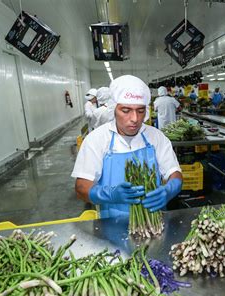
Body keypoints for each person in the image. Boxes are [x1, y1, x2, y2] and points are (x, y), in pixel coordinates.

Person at [71, 75, 183, 218]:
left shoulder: (156, 137)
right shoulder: (96, 140)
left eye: (140, 111)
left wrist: (169, 190)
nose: (135, 119)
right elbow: (81, 188)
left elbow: (175, 173)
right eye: (125, 110)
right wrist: (109, 195)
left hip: (154, 222)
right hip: (111, 224)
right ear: (113, 109)